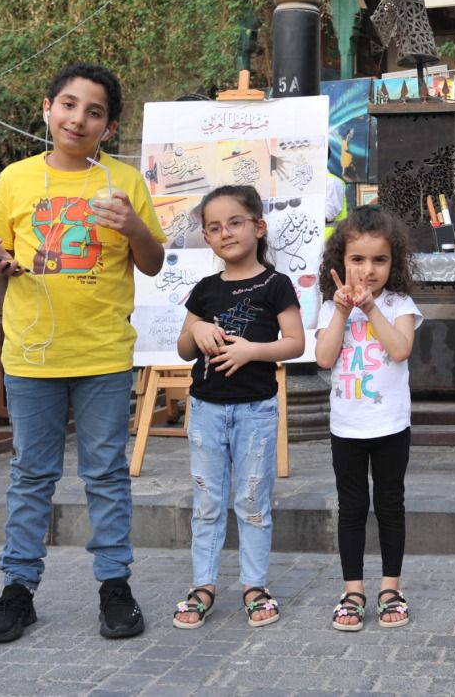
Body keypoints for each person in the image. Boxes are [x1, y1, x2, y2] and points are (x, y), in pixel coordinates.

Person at [0, 62, 166, 643]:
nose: (79, 118)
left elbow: (153, 263)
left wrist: (134, 226)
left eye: (95, 111)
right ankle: (17, 591)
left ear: (108, 127)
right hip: (31, 355)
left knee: (106, 474)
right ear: (47, 108)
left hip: (104, 354)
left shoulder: (124, 183)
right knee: (31, 474)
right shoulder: (15, 179)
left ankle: (114, 587)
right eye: (69, 105)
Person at [172, 185, 305, 630]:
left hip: (256, 411)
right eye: (214, 227)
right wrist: (201, 329)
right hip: (206, 410)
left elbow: (295, 342)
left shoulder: (275, 284)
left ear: (258, 227)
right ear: (207, 239)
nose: (225, 232)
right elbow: (183, 348)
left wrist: (251, 351)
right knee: (207, 501)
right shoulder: (205, 290)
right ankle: (203, 585)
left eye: (235, 222)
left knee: (252, 500)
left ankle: (254, 585)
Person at [314, 205, 421, 631]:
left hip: (391, 425)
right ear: (340, 262)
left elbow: (399, 349)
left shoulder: (400, 304)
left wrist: (371, 308)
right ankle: (353, 590)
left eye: (379, 260)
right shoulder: (329, 307)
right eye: (357, 259)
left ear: (393, 262)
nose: (368, 270)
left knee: (390, 504)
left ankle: (390, 588)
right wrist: (341, 311)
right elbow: (323, 358)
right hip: (347, 427)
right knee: (352, 507)